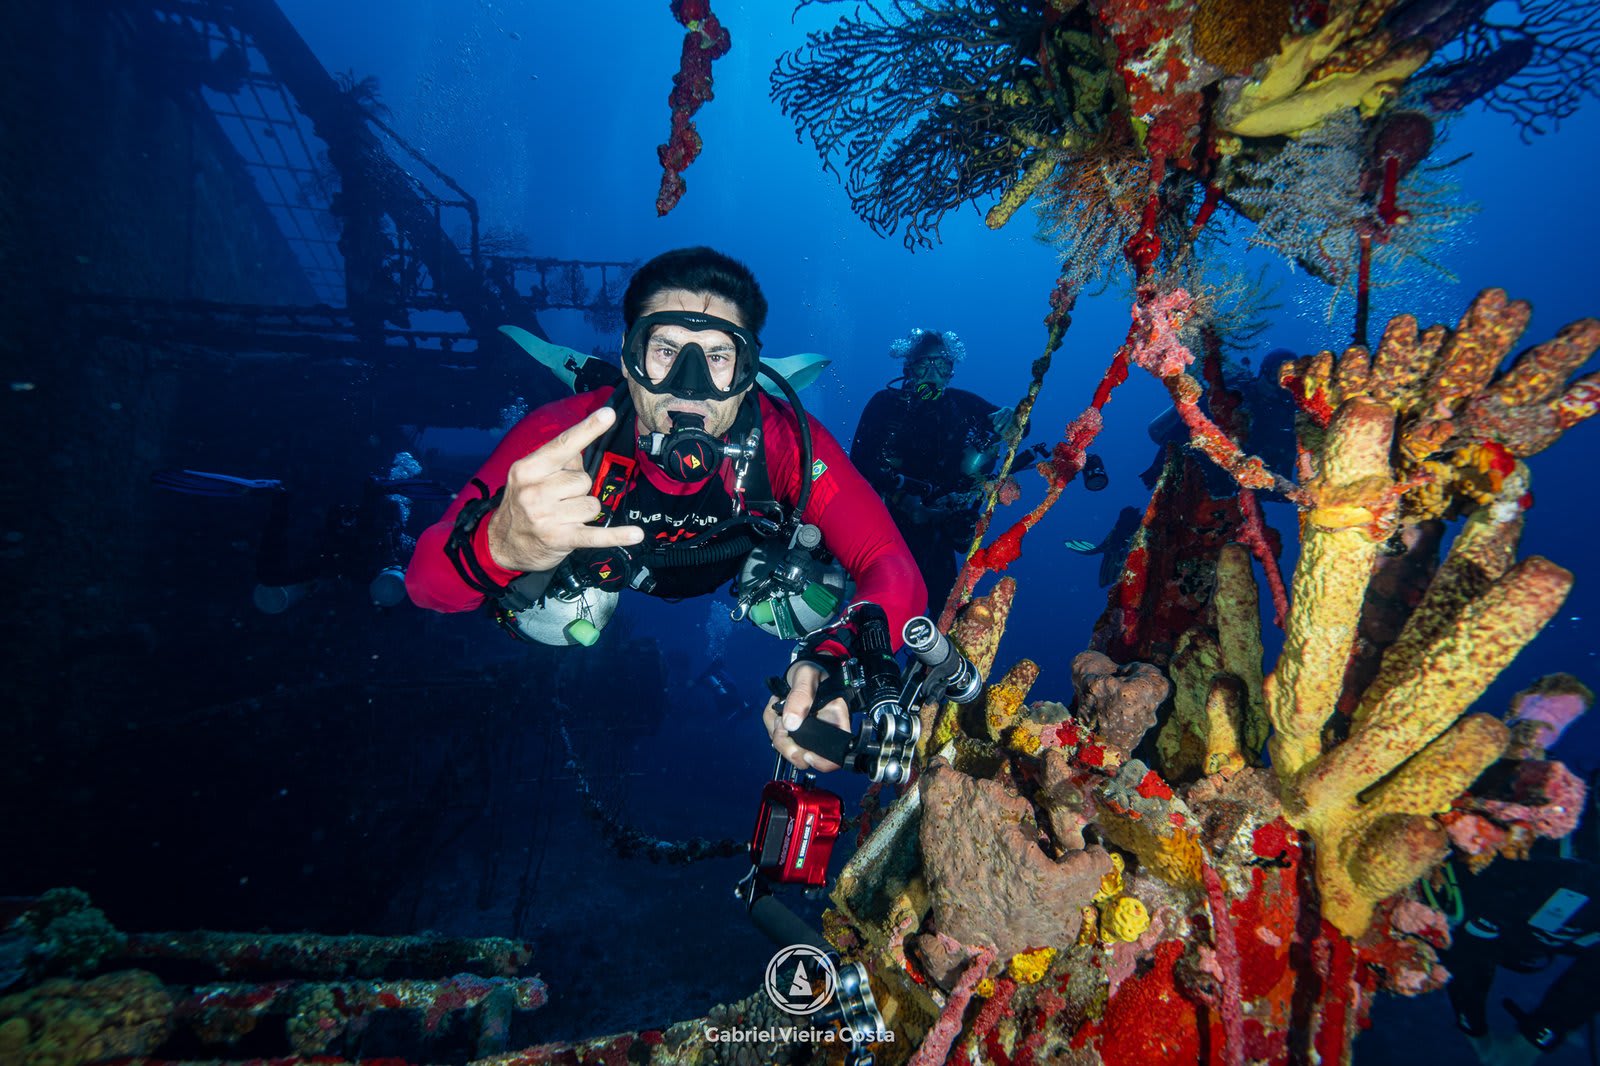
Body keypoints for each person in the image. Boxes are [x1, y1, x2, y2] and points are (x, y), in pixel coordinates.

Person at [406, 247, 925, 773]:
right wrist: (501, 544)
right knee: (541, 606)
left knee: (817, 594)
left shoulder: (786, 441)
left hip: (748, 564)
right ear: (630, 360)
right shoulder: (567, 435)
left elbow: (892, 565)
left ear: (747, 371)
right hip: (599, 571)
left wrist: (832, 660)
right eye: (665, 349)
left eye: (718, 357)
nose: (689, 386)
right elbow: (426, 584)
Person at [848, 328, 1024, 615]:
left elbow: (1020, 425)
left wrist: (1010, 417)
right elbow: (858, 463)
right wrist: (902, 497)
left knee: (946, 611)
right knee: (881, 608)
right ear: (909, 369)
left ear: (950, 371)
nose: (932, 373)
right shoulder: (885, 404)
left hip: (939, 530)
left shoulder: (959, 403)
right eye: (923, 364)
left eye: (941, 365)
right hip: (886, 524)